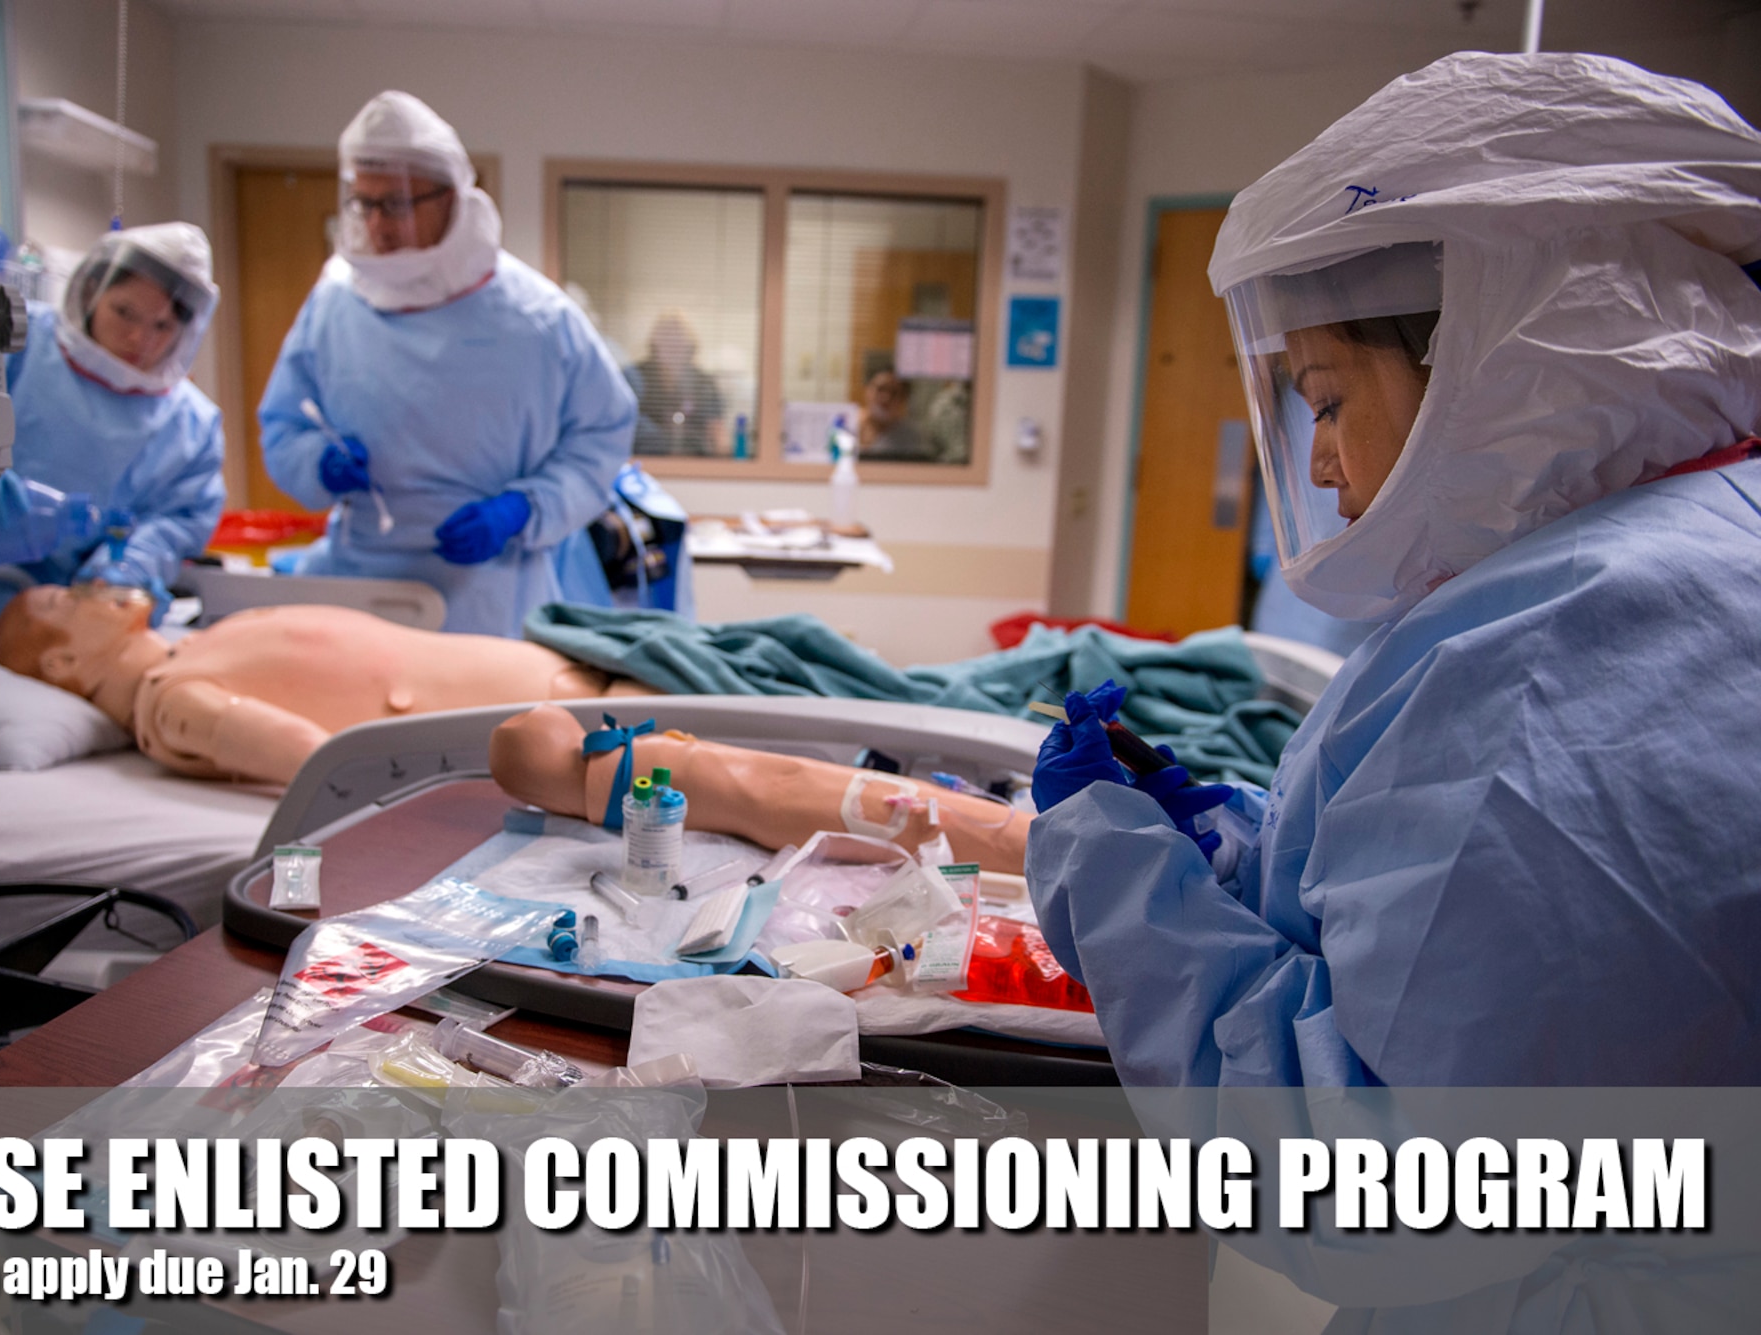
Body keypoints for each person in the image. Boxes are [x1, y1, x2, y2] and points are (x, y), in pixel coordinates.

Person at [1025, 53, 1761, 1088]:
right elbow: (1428, 932)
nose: (1319, 462)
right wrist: (1226, 855)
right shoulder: (1702, 540)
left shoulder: (1537, 656)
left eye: (1325, 402)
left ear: (1500, 365)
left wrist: (1113, 881)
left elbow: (1370, 1170)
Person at [258, 91, 636, 637]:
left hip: (489, 590)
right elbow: (283, 424)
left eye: (399, 203)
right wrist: (317, 462)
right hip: (360, 578)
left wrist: (523, 509)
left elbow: (602, 436)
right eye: (365, 204)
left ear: (454, 197)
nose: (380, 225)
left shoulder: (536, 317)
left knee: (478, 721)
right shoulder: (336, 301)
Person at [0, 583, 657, 785]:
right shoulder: (172, 704)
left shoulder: (193, 646)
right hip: (587, 721)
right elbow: (322, 762)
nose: (86, 587)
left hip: (587, 677)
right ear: (60, 666)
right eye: (57, 601)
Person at [0, 223, 225, 624]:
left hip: (80, 610)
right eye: (124, 312)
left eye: (162, 326)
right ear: (91, 291)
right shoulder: (12, 344)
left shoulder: (192, 424)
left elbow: (179, 520)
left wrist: (123, 570)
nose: (138, 337)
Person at [490, 703, 1029, 873]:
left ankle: (1037, 845)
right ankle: (1035, 847)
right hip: (772, 797)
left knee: (842, 795)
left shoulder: (609, 770)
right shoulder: (624, 763)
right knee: (889, 809)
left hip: (754, 794)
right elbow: (766, 790)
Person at [626, 312, 726, 457]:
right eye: (666, 338)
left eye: (678, 338)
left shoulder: (704, 383)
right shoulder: (634, 377)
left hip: (696, 462)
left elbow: (717, 431)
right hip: (645, 460)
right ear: (654, 343)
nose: (672, 344)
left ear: (690, 344)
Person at [857, 368, 934, 461]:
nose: (886, 397)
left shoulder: (911, 436)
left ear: (903, 400)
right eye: (881, 389)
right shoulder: (847, 426)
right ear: (867, 390)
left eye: (894, 393)